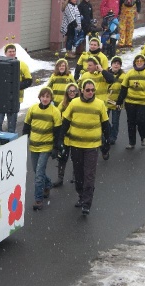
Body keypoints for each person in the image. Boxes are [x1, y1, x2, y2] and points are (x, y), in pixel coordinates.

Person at [60, 79, 110, 215]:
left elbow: (106, 124)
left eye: (93, 90)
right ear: (81, 90)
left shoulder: (99, 104)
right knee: (78, 174)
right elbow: (65, 122)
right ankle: (81, 196)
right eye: (87, 90)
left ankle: (87, 204)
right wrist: (60, 140)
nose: (90, 92)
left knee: (89, 174)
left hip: (92, 146)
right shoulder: (74, 103)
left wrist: (107, 142)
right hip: (75, 144)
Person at [23, 87, 62, 210]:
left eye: (48, 97)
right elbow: (26, 127)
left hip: (46, 147)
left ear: (51, 98)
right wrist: (23, 141)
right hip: (34, 145)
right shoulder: (32, 109)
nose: (45, 99)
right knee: (36, 170)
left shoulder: (54, 112)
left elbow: (58, 132)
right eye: (43, 96)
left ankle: (38, 200)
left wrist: (56, 148)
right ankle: (48, 184)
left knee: (39, 173)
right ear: (39, 97)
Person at [116, 54, 145, 149]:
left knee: (141, 120)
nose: (139, 62)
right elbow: (124, 88)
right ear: (134, 62)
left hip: (144, 102)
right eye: (137, 61)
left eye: (141, 61)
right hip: (130, 102)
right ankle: (132, 142)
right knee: (131, 122)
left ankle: (143, 137)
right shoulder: (130, 73)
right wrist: (119, 101)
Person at [0, 44, 32, 133]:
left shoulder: (22, 65)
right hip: (2, 98)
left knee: (11, 124)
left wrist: (15, 87)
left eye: (13, 51)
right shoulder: (1, 64)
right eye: (10, 51)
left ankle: (10, 141)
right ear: (5, 53)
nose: (12, 53)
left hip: (15, 98)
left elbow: (29, 80)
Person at [53, 82, 79, 188]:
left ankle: (75, 176)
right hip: (65, 136)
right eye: (70, 91)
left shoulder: (79, 103)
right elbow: (57, 117)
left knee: (76, 157)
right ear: (66, 92)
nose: (72, 93)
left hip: (76, 136)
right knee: (62, 157)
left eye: (74, 91)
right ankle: (60, 178)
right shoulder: (62, 105)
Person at [106, 56, 126, 145]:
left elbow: (124, 89)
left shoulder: (123, 76)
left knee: (115, 121)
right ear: (111, 64)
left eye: (118, 64)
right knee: (104, 120)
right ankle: (108, 133)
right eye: (114, 63)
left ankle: (113, 137)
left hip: (116, 102)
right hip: (105, 102)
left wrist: (120, 101)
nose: (116, 65)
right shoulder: (105, 73)